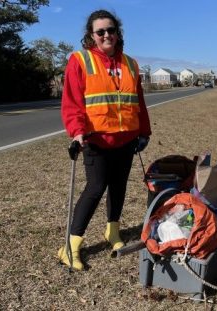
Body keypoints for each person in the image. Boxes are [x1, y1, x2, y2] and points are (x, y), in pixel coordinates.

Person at [58, 9, 151, 270]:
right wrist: (77, 132)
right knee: (96, 188)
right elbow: (72, 102)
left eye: (111, 30)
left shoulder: (131, 64)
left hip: (126, 140)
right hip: (95, 140)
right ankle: (70, 245)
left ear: (117, 32)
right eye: (101, 32)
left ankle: (113, 231)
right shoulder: (80, 60)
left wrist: (144, 131)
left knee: (119, 186)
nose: (106, 35)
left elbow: (139, 102)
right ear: (92, 35)